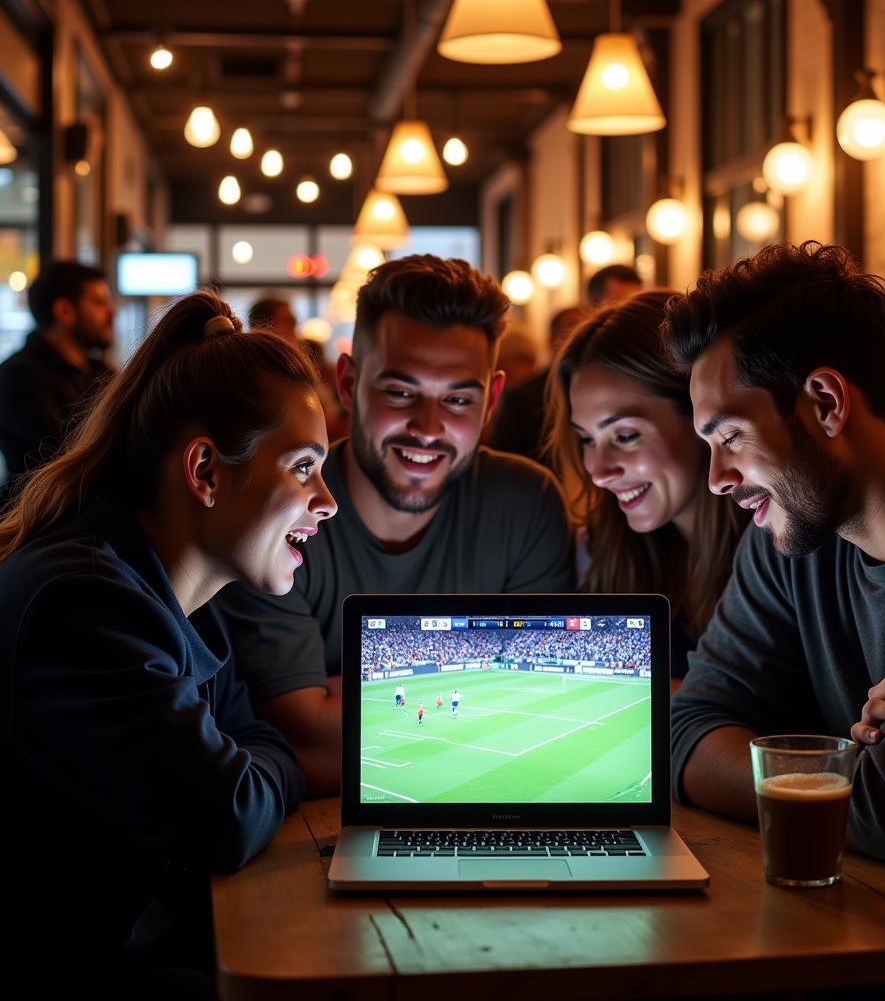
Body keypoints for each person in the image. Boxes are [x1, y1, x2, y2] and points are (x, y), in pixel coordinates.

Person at [662, 241, 885, 910]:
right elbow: (687, 731)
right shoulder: (794, 530)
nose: (716, 479)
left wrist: (818, 772)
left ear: (826, 402)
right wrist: (838, 760)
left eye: (730, 437)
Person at [0, 290, 337, 995]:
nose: (326, 500)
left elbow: (252, 744)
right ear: (206, 471)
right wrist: (273, 765)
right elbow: (229, 815)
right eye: (304, 467)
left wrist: (260, 760)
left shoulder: (187, 596)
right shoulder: (84, 604)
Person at [218, 255, 574, 795]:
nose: (428, 429)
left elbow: (536, 711)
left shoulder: (527, 502)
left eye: (457, 399)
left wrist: (342, 695)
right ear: (347, 382)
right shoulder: (278, 509)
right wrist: (485, 687)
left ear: (492, 400)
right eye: (401, 393)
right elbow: (297, 732)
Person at [547, 291, 747, 682]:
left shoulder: (784, 554)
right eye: (586, 439)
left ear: (701, 418)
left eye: (624, 436)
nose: (599, 471)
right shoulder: (607, 553)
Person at [0, 260, 116, 495]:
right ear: (64, 311)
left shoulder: (100, 371)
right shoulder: (18, 377)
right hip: (41, 521)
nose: (112, 311)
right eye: (99, 302)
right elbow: (68, 457)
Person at [490, 306, 587, 464]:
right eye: (570, 332)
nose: (579, 342)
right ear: (551, 341)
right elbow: (505, 460)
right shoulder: (521, 397)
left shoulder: (598, 395)